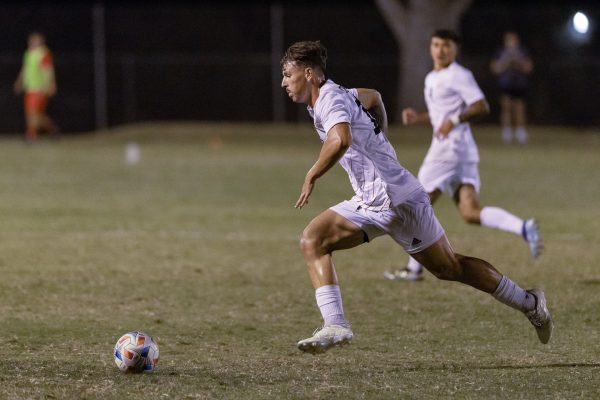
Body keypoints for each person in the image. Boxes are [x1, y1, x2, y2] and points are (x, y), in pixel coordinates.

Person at [280, 40, 552, 355]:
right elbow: (373, 97)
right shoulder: (340, 93)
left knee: (450, 268)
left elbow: (340, 138)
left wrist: (311, 174)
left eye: (288, 74)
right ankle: (336, 324)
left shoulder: (329, 100)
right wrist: (380, 133)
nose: (284, 82)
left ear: (310, 74)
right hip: (371, 201)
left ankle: (530, 302)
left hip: (398, 200)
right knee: (312, 240)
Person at [384, 29, 541, 283]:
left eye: (446, 46)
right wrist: (420, 118)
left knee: (416, 204)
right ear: (430, 47)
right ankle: (523, 227)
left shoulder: (459, 75)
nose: (440, 50)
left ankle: (413, 269)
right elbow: (440, 116)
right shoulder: (432, 77)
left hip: (448, 150)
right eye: (436, 45)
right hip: (462, 150)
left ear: (454, 50)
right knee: (470, 211)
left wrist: (454, 120)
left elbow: (481, 105)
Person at [13, 31, 59, 142]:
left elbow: (47, 70)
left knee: (33, 113)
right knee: (34, 114)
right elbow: (25, 69)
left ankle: (31, 135)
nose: (32, 42)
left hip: (40, 87)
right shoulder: (28, 53)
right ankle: (52, 129)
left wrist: (50, 84)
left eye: (35, 40)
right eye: (31, 39)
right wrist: (19, 82)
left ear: (40, 41)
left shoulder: (43, 53)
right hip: (30, 88)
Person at [490, 31, 533, 144]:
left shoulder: (522, 52)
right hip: (505, 84)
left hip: (519, 84)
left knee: (519, 108)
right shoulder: (501, 52)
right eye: (509, 40)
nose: (511, 42)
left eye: (513, 40)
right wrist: (506, 62)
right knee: (506, 108)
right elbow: (494, 68)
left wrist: (518, 63)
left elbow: (529, 68)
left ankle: (520, 133)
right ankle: (507, 133)